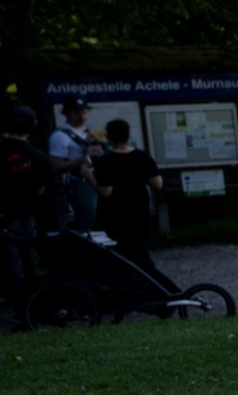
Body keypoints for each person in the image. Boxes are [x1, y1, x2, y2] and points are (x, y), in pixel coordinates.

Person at [90, 118, 169, 286]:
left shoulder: (106, 161)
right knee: (141, 251)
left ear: (109, 137)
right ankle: (151, 286)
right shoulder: (143, 157)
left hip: (114, 214)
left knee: (118, 253)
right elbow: (157, 183)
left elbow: (106, 191)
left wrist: (87, 175)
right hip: (140, 210)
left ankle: (124, 288)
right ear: (129, 135)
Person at [3, 106, 54, 331]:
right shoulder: (38, 157)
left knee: (11, 264)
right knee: (29, 262)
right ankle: (34, 308)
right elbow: (43, 188)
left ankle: (20, 308)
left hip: (3, 216)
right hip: (27, 215)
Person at [46, 96, 100, 231]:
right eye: (76, 113)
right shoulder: (59, 136)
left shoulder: (88, 133)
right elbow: (55, 167)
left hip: (95, 180)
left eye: (84, 112)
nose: (81, 116)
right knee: (89, 221)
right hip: (79, 182)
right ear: (67, 113)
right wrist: (82, 159)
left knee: (98, 221)